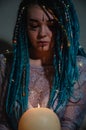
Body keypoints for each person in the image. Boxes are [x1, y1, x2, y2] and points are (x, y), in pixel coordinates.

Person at [0, 0, 86, 130]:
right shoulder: (7, 65)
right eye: (34, 26)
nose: (42, 34)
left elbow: (70, 124)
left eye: (52, 26)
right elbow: (3, 122)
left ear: (64, 27)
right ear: (24, 27)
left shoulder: (76, 68)